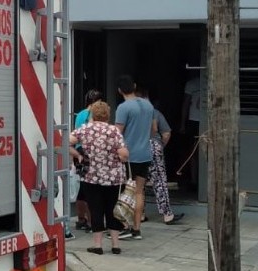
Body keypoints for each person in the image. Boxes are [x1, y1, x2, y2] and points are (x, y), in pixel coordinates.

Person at [70, 101, 129, 255]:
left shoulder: (84, 129)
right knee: (112, 210)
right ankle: (115, 245)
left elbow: (66, 142)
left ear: (92, 114)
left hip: (92, 177)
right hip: (114, 179)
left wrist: (78, 155)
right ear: (108, 115)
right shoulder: (114, 131)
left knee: (96, 210)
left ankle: (98, 245)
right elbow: (123, 155)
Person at [115, 74, 155, 240]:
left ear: (119, 90)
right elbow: (153, 129)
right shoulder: (148, 105)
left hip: (128, 155)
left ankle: (124, 225)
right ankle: (137, 229)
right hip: (145, 153)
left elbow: (117, 133)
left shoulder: (123, 108)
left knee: (124, 191)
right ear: (135, 86)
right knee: (139, 192)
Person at [136, 86, 184, 225]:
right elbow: (166, 133)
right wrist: (160, 146)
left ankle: (140, 214)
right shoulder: (154, 112)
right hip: (152, 146)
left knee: (139, 183)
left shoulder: (129, 112)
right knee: (160, 182)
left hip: (135, 149)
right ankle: (167, 214)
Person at [72, 89, 104, 232]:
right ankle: (92, 222)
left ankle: (81, 219)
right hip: (89, 152)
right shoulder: (93, 115)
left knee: (83, 188)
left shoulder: (79, 115)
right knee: (92, 189)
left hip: (78, 151)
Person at [179, 73, 201, 189]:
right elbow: (186, 104)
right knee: (194, 152)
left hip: (201, 121)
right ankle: (194, 180)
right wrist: (183, 124)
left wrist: (183, 124)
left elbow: (186, 104)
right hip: (193, 121)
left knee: (197, 152)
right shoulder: (191, 84)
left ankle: (197, 180)